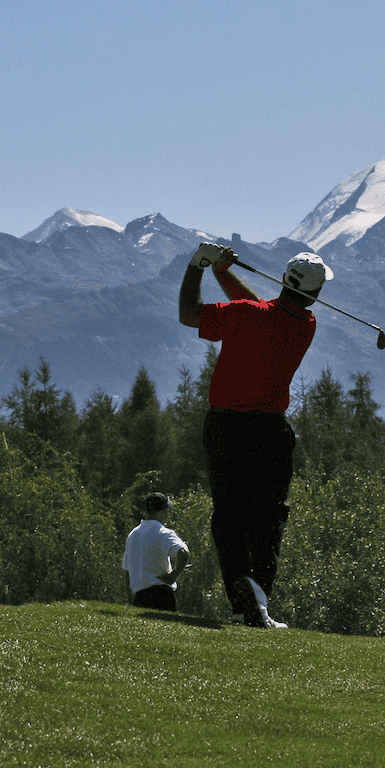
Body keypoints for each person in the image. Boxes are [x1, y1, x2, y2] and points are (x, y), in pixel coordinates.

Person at [178, 242, 331, 629]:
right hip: (269, 432)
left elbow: (188, 314)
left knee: (228, 515)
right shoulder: (304, 325)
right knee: (267, 517)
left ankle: (241, 602)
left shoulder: (247, 316)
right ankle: (257, 598)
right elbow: (260, 308)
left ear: (283, 279)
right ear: (314, 295)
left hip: (224, 427)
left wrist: (199, 266)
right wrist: (222, 273)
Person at [123, 492, 191, 612]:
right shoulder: (164, 533)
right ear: (164, 510)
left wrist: (130, 599)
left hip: (140, 596)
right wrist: (173, 575)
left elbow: (128, 572)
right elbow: (184, 553)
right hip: (162, 595)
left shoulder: (132, 535)